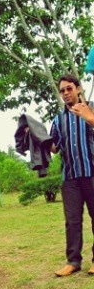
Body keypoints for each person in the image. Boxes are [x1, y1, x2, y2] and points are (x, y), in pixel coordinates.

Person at [47, 73, 94, 277]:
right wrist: (36, 136)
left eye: (69, 88)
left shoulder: (91, 108)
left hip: (92, 173)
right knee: (72, 221)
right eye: (62, 90)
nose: (66, 93)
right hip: (70, 178)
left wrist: (89, 118)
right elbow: (54, 148)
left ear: (78, 89)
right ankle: (73, 261)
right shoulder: (58, 120)